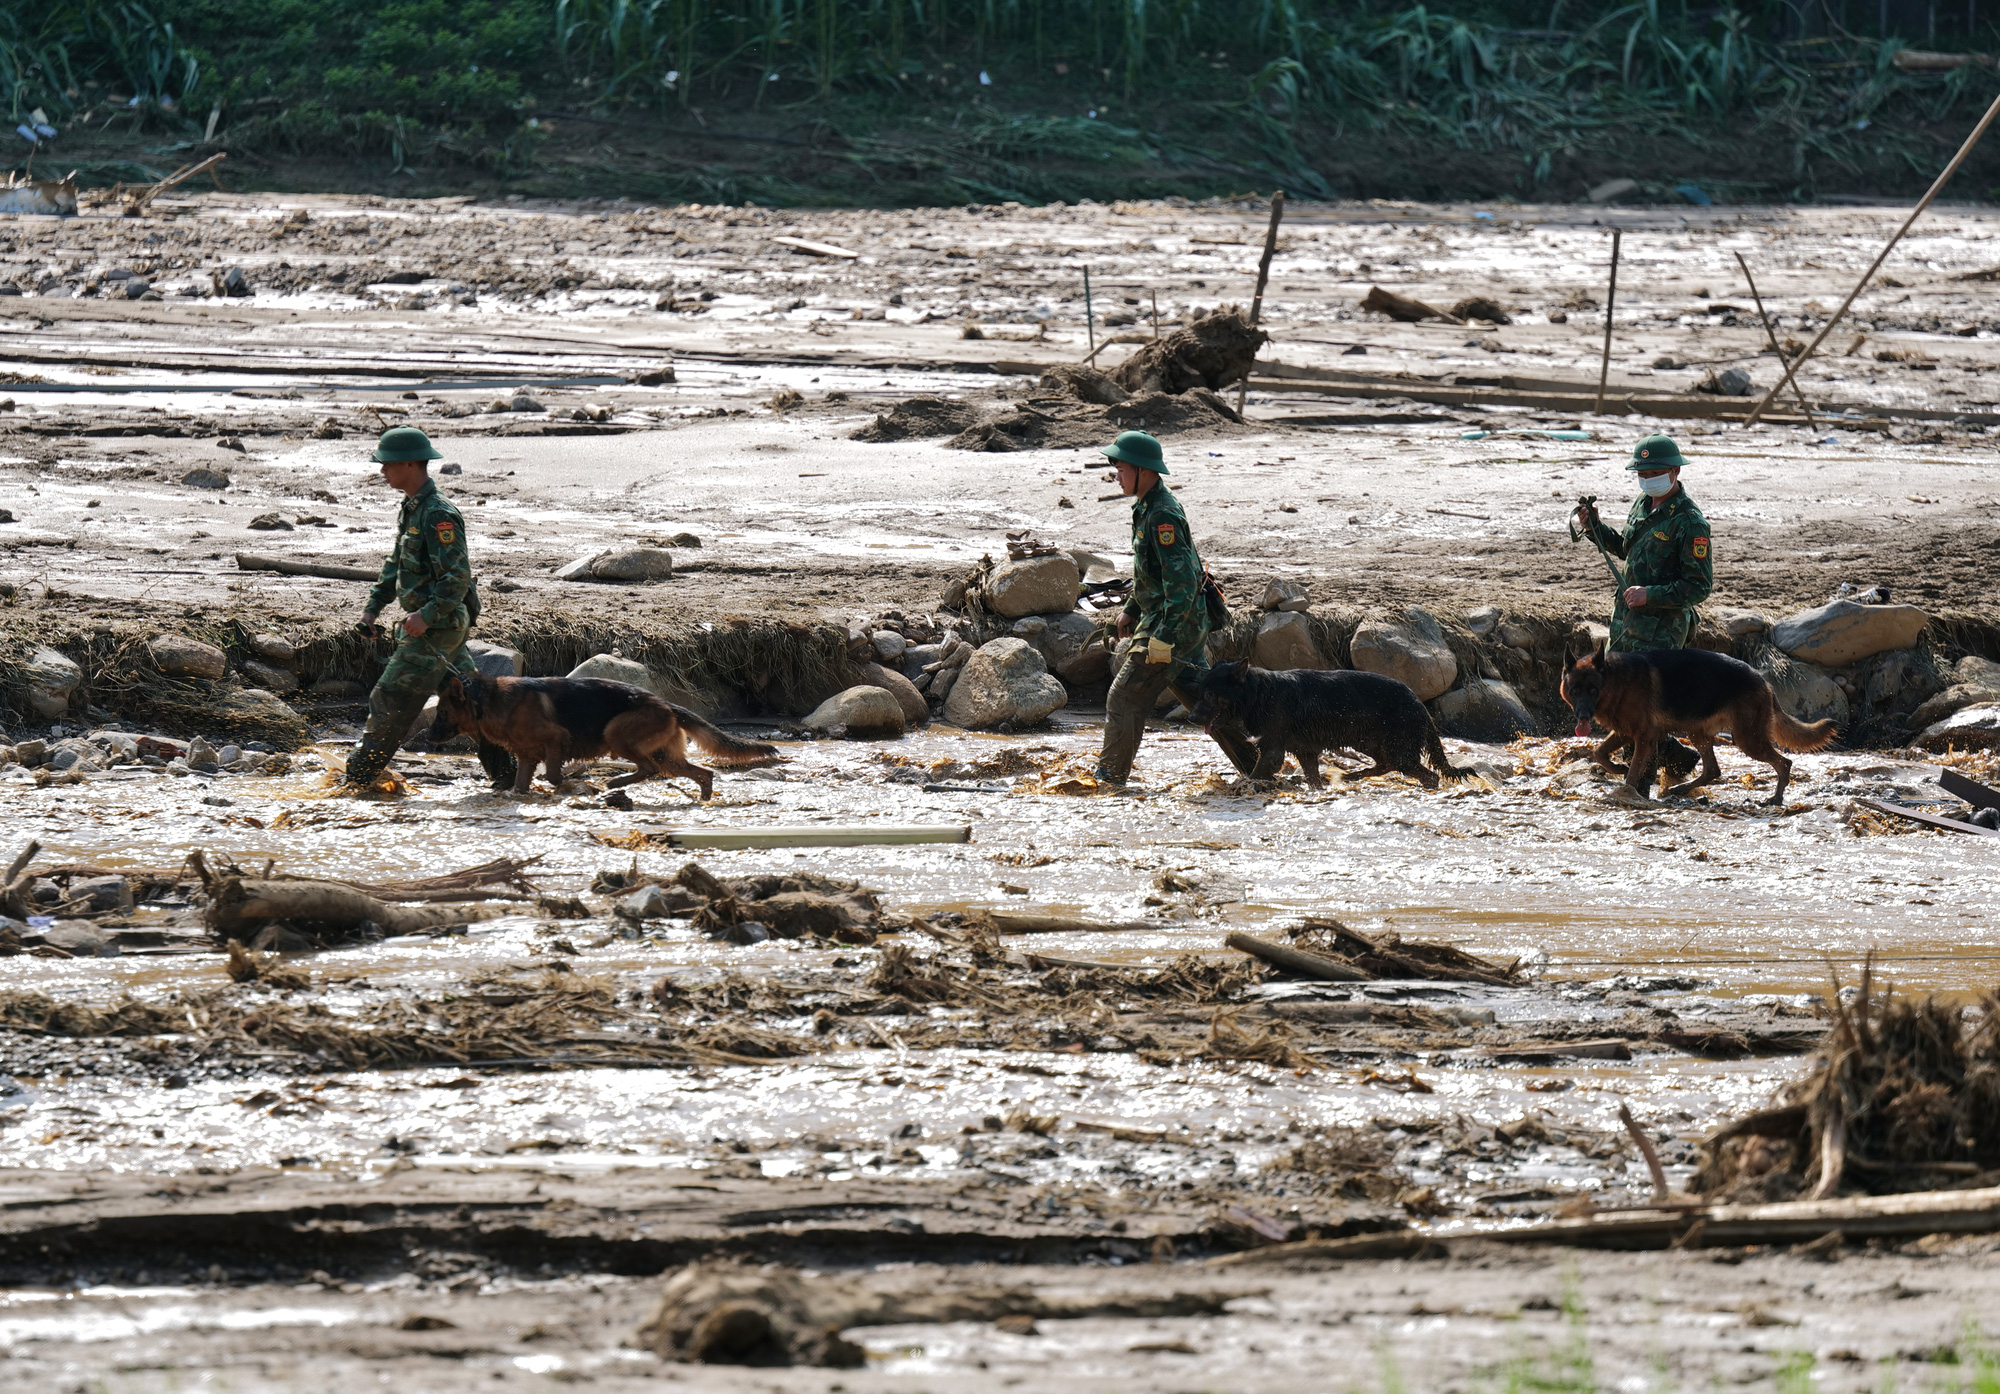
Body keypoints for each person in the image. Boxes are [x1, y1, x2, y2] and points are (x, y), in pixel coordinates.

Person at [340, 426, 511, 792]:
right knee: (471, 707)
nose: (382, 471)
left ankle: (354, 782)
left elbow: (458, 576)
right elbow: (395, 565)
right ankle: (511, 780)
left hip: (437, 629)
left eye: (387, 464)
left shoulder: (438, 515)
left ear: (411, 464)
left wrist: (426, 616)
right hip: (437, 629)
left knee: (389, 700)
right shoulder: (411, 509)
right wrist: (372, 610)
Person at [1093, 430, 1258, 788]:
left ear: (1143, 470)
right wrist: (1132, 608)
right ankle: (1262, 766)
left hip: (1174, 626)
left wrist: (1163, 638)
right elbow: (1152, 574)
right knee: (1209, 701)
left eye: (1121, 469)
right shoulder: (1146, 507)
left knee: (1125, 698)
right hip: (1171, 621)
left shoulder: (1162, 515)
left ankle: (1108, 781)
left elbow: (1182, 586)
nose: (1116, 476)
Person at [1573, 431, 1713, 773]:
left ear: (1675, 473)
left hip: (1662, 633)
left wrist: (1650, 594)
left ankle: (1644, 782)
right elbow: (1626, 549)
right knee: (1625, 703)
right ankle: (1671, 763)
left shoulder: (1690, 522)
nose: (1647, 480)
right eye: (1643, 474)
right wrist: (1595, 527)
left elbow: (1699, 586)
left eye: (1654, 474)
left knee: (1642, 709)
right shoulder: (1643, 504)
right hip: (1627, 624)